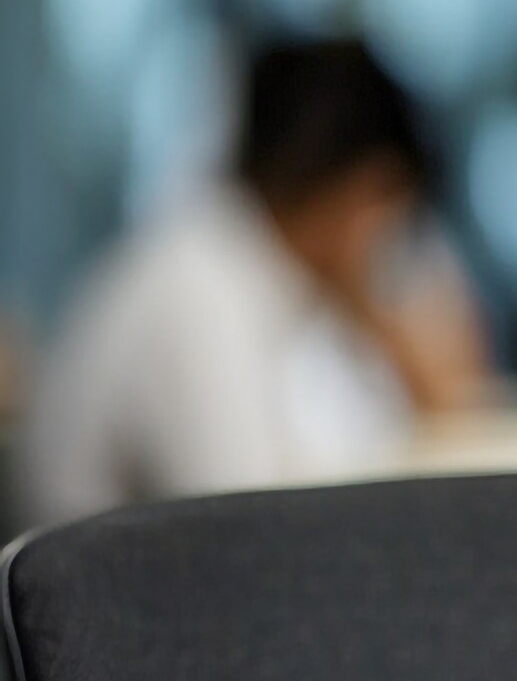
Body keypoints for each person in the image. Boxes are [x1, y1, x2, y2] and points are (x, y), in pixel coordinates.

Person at [23, 35, 492, 528]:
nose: (392, 241)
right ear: (361, 191)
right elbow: (243, 533)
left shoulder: (261, 278)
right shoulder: (198, 292)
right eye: (394, 208)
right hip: (130, 577)